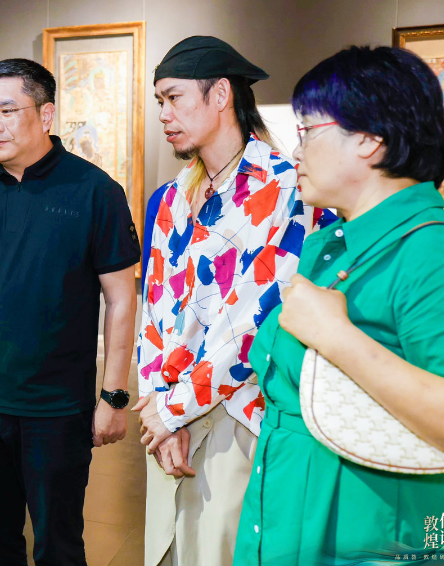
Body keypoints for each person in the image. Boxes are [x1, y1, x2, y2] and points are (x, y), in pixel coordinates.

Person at [233, 45, 444, 565]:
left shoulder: (434, 251)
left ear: (370, 137)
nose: (296, 151)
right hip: (292, 512)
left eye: (307, 131)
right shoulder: (333, 244)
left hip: (374, 530)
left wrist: (339, 338)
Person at [134, 36, 335, 566]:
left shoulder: (288, 189)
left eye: (174, 98)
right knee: (166, 550)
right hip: (169, 413)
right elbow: (154, 307)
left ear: (221, 94)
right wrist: (156, 404)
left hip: (239, 412)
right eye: (159, 101)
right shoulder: (174, 196)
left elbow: (261, 321)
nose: (164, 114)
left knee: (219, 550)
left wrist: (175, 410)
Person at [0, 58, 141, 566]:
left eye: (7, 110)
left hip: (55, 408)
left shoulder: (96, 192)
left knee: (59, 547)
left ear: (46, 114)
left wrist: (113, 396)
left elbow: (122, 298)